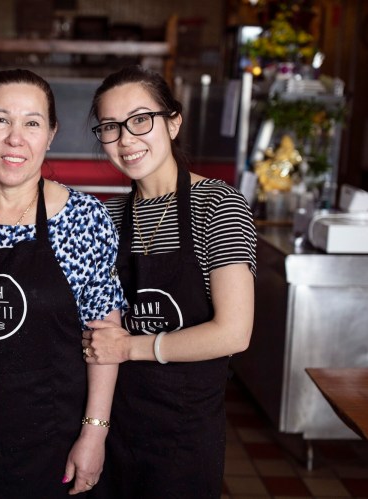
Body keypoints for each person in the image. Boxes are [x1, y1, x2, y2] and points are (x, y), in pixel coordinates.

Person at [0, 68, 124, 498]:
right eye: (2, 120)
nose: (15, 138)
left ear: (50, 134)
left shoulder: (84, 219)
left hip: (53, 445)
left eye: (32, 123)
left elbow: (105, 338)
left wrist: (94, 434)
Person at [81, 65, 257, 498]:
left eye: (140, 120)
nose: (126, 138)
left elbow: (234, 332)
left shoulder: (218, 204)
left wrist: (130, 347)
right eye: (110, 127)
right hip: (116, 423)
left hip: (184, 433)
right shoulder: (108, 216)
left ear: (173, 122)